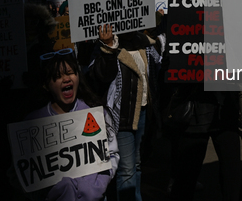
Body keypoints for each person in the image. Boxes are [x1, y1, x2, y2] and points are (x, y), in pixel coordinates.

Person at [21, 48, 117, 201]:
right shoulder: (32, 122)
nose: (66, 79)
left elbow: (111, 154)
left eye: (71, 73)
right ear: (46, 85)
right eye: (58, 76)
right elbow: (22, 173)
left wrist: (98, 186)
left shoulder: (95, 113)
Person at [87, 24, 162, 201]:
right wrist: (108, 47)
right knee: (127, 170)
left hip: (143, 113)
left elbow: (156, 71)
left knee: (136, 165)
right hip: (121, 117)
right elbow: (102, 75)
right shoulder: (104, 45)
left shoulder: (144, 42)